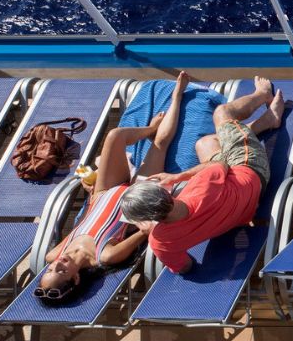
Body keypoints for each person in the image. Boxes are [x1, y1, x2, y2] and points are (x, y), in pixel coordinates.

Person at [36, 71, 192, 304]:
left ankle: (149, 129)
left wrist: (91, 194)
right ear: (76, 279)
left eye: (50, 270)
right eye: (61, 271)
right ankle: (177, 95)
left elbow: (84, 222)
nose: (57, 264)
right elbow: (144, 232)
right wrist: (148, 217)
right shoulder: (105, 256)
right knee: (160, 144)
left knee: (114, 136)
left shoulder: (53, 254)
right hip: (135, 199)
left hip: (103, 193)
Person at [120, 76, 287, 274]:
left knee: (205, 144)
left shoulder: (159, 242)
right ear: (163, 192)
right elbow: (221, 164)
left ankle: (266, 121)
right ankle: (262, 94)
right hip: (251, 170)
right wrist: (177, 177)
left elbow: (184, 267)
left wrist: (154, 231)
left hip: (241, 213)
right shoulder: (202, 186)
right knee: (222, 113)